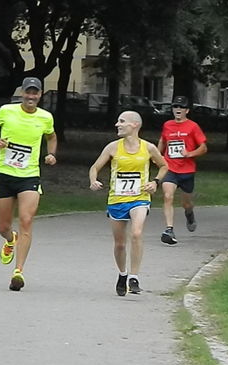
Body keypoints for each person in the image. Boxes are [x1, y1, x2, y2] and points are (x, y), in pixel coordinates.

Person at [0, 77, 57, 291]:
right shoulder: (6, 111)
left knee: (26, 220)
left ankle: (18, 271)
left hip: (29, 176)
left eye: (35, 93)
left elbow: (51, 137)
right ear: (22, 93)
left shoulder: (45, 117)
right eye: (28, 92)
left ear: (40, 95)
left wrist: (51, 154)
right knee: (3, 227)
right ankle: (10, 239)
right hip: (4, 174)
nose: (31, 96)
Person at [89, 110, 168, 296]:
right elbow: (95, 167)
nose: (117, 124)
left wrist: (155, 182)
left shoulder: (148, 148)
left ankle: (134, 277)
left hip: (139, 198)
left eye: (122, 121)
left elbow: (164, 165)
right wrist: (93, 180)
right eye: (118, 121)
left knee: (137, 232)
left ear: (135, 125)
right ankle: (122, 274)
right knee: (120, 244)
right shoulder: (113, 148)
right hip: (117, 199)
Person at [157, 95, 208, 245]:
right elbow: (163, 140)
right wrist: (157, 156)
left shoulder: (193, 126)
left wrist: (190, 153)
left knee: (186, 203)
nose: (178, 110)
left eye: (181, 107)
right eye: (175, 107)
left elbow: (204, 148)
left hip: (187, 170)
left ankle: (189, 214)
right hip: (170, 168)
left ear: (187, 110)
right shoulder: (167, 125)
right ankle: (169, 229)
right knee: (168, 196)